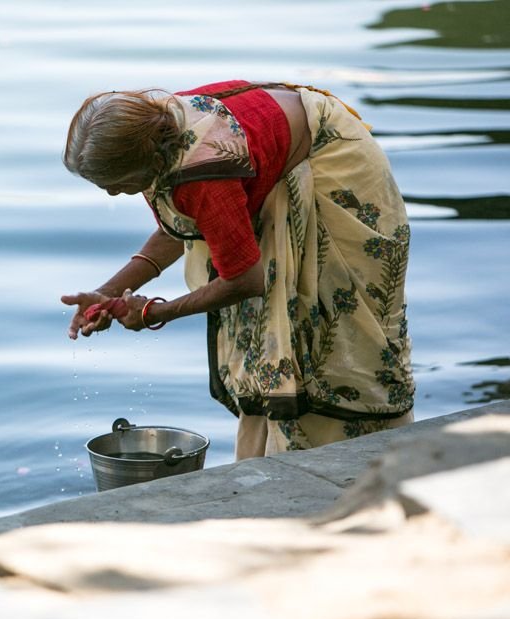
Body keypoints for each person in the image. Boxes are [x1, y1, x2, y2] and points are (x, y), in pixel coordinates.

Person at [60, 81, 415, 458]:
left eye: (113, 184)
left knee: (330, 329)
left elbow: (246, 279)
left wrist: (153, 313)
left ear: (142, 159)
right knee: (276, 337)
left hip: (336, 168)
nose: (112, 194)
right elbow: (187, 225)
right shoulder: (156, 129)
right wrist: (109, 292)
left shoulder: (202, 170)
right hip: (278, 163)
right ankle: (271, 451)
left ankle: (353, 457)